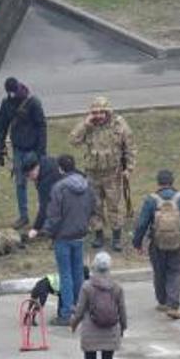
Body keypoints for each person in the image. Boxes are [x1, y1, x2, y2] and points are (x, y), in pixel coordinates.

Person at [69, 95, 135, 252]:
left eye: (101, 112)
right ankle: (98, 234)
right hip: (93, 174)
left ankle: (116, 237)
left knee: (114, 206)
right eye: (95, 112)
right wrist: (85, 125)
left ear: (107, 112)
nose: (98, 116)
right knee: (95, 206)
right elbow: (73, 140)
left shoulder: (118, 124)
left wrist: (129, 169)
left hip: (113, 174)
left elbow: (130, 147)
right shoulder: (87, 125)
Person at [35, 154, 95, 326]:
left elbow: (53, 214)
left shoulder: (59, 188)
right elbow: (93, 205)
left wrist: (47, 231)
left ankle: (67, 313)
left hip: (63, 236)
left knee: (65, 275)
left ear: (60, 169)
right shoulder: (86, 185)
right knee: (78, 273)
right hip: (80, 234)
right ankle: (80, 308)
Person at [132, 168, 180, 320]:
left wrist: (137, 243)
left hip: (157, 242)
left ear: (158, 182)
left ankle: (162, 302)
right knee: (176, 271)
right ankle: (173, 305)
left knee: (159, 271)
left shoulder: (151, 200)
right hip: (177, 242)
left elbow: (142, 224)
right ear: (172, 181)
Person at [70, 251, 127, 359]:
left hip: (91, 330)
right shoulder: (116, 287)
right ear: (109, 267)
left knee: (90, 358)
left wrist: (73, 324)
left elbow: (80, 310)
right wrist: (123, 327)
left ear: (94, 266)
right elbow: (122, 310)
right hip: (111, 330)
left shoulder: (87, 286)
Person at [0, 77, 48, 229]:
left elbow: (41, 127)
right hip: (18, 149)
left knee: (41, 184)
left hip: (33, 149)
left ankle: (44, 217)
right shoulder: (6, 103)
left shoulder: (33, 102)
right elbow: (2, 125)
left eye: (14, 92)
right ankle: (23, 216)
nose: (13, 95)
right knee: (20, 184)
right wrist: (0, 147)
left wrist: (41, 152)